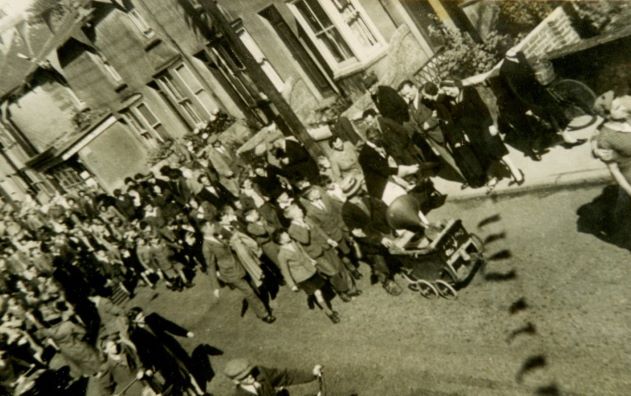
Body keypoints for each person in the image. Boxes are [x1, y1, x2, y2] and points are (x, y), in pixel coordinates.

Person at [439, 79, 524, 190]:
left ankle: (516, 171)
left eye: (449, 90)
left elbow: (482, 108)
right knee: (487, 153)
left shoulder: (469, 91)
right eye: (446, 92)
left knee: (498, 149)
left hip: (483, 126)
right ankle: (505, 174)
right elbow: (456, 120)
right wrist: (464, 133)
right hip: (471, 132)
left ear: (454, 84)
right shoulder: (450, 101)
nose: (448, 94)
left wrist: (491, 125)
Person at [200, 221, 276, 324]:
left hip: (239, 265)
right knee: (249, 292)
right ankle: (264, 314)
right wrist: (215, 286)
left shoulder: (216, 236)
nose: (213, 226)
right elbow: (210, 266)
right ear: (205, 230)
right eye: (210, 225)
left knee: (253, 288)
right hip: (230, 273)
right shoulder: (206, 247)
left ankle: (261, 309)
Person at [275, 230, 340, 324]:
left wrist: (310, 260)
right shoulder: (281, 255)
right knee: (317, 292)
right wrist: (292, 284)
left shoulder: (294, 243)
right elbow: (285, 271)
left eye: (286, 234)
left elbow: (303, 252)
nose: (287, 235)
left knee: (320, 289)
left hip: (310, 271)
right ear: (280, 241)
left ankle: (314, 298)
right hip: (301, 277)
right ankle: (329, 313)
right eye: (284, 236)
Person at [593, 95, 631, 232]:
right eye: (617, 107)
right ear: (609, 114)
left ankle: (616, 221)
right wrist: (629, 189)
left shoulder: (627, 118)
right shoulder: (606, 136)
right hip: (629, 174)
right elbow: (614, 170)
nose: (624, 106)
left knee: (623, 203)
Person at [358, 127, 420, 205]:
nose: (380, 140)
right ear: (373, 139)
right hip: (381, 187)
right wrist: (408, 170)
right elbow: (384, 170)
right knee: (400, 202)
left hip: (387, 180)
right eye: (378, 139)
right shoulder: (366, 154)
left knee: (404, 197)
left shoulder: (375, 146)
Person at [223, 357, 322, 396]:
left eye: (250, 372)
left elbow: (286, 376)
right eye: (244, 377)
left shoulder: (261, 372)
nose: (250, 376)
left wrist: (312, 374)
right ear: (236, 381)